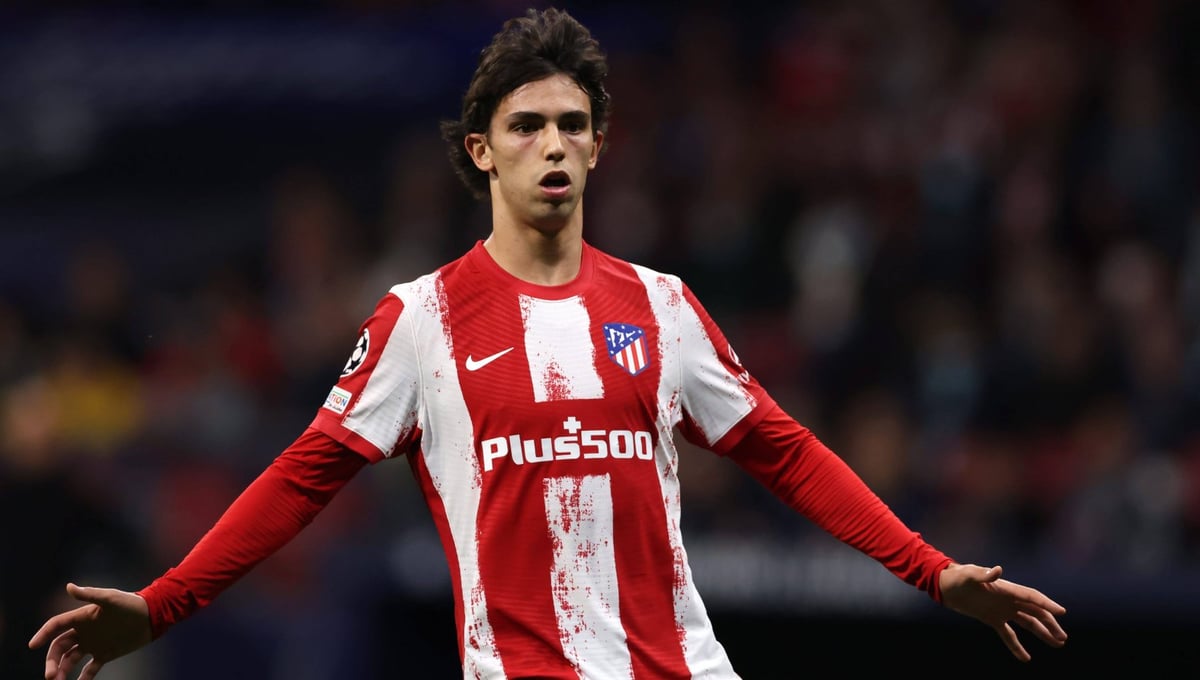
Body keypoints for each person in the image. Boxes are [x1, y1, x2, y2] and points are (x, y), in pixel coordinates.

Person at [29, 7, 1068, 679]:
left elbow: (784, 451)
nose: (554, 144)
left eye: (574, 124)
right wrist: (162, 605)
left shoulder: (661, 305)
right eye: (527, 125)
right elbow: (303, 476)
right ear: (481, 150)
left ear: (600, 146)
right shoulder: (421, 319)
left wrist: (932, 571)